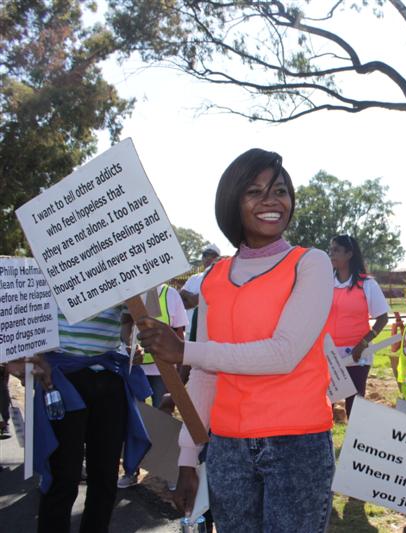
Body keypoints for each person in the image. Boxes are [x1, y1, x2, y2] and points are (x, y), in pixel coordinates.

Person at [137, 149, 335, 532]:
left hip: (297, 445)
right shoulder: (214, 277)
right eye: (255, 192)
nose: (271, 201)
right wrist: (188, 457)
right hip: (227, 447)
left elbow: (284, 354)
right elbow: (205, 375)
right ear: (232, 201)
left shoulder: (310, 263)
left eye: (279, 191)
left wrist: (184, 350)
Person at [6, 307, 151, 533]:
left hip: (109, 375)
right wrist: (18, 355)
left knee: (105, 477)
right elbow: (23, 302)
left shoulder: (120, 281)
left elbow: (129, 315)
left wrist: (130, 341)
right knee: (63, 478)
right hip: (62, 375)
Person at [117, 282, 188, 489]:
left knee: (163, 418)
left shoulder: (170, 295)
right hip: (136, 370)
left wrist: (179, 374)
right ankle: (131, 470)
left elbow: (179, 335)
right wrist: (128, 346)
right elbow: (124, 325)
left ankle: (168, 472)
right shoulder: (129, 292)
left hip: (163, 370)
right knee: (134, 419)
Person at [327, 234, 389, 418]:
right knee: (325, 404)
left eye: (336, 250)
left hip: (357, 355)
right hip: (328, 354)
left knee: (354, 406)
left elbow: (383, 318)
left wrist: (363, 343)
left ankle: (355, 436)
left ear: (349, 254)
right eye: (330, 250)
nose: (331, 254)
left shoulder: (368, 284)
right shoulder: (325, 282)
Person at [180, 244, 221, 326]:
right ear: (202, 258)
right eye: (205, 255)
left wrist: (188, 297)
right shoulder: (194, 278)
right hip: (188, 327)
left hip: (207, 328)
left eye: (213, 256)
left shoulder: (220, 279)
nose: (208, 258)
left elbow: (196, 300)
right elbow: (181, 299)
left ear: (218, 260)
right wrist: (194, 299)